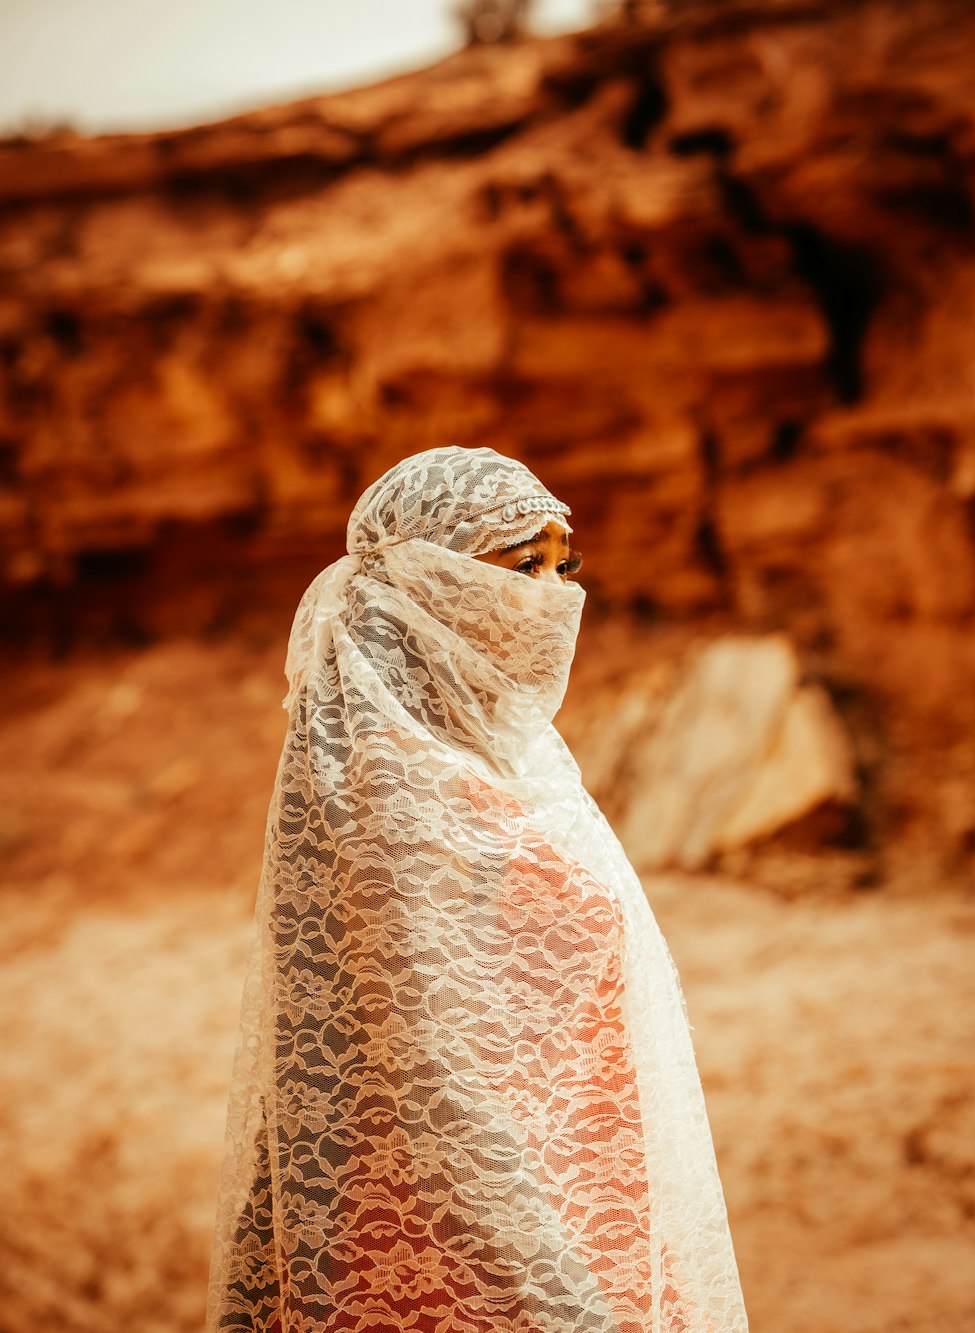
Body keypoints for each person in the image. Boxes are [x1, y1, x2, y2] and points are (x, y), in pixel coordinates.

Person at [207, 446, 748, 1333]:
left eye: (559, 565)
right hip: (461, 1229)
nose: (551, 595)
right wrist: (551, 1283)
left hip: (573, 1192)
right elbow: (430, 1062)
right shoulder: (382, 773)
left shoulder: (505, 754)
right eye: (517, 566)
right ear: (427, 579)